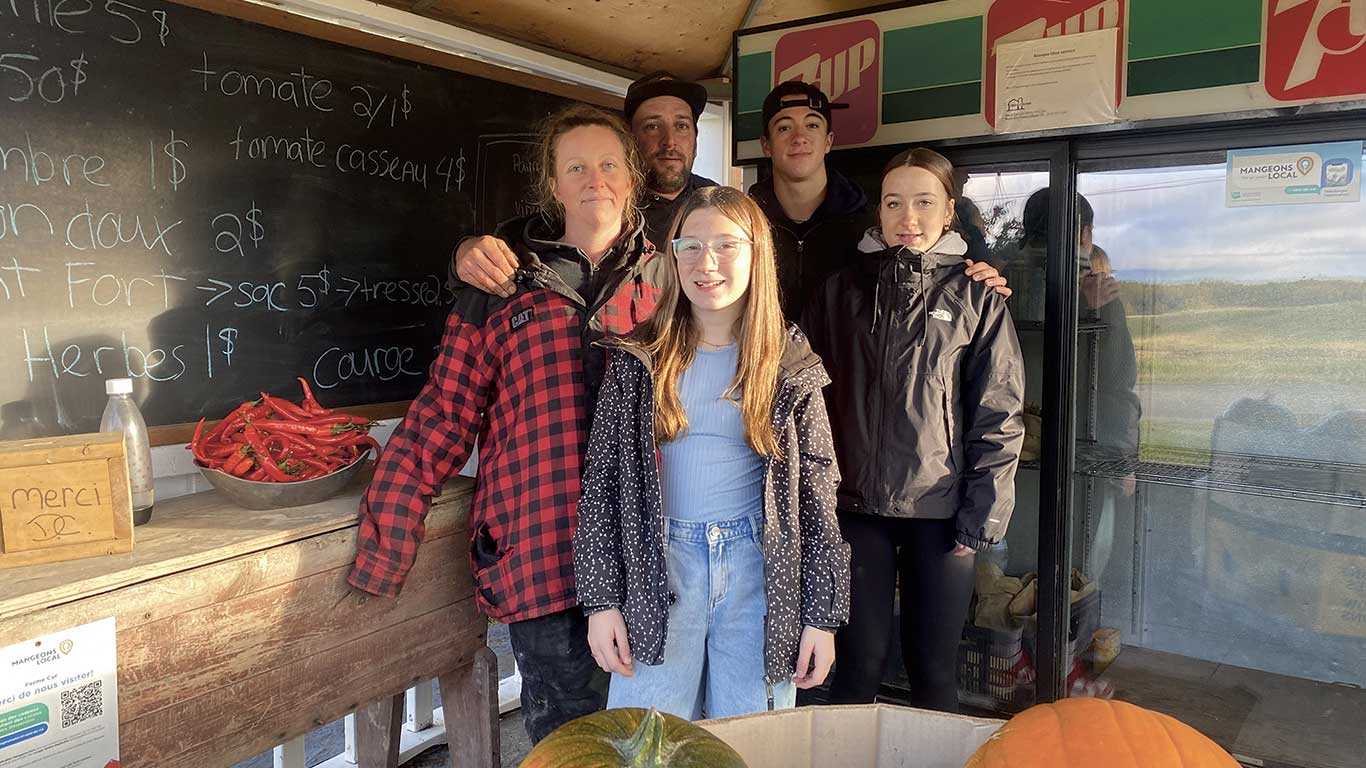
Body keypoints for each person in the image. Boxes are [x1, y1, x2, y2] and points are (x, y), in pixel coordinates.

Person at [346, 103, 668, 743]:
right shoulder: (501, 283)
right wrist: (382, 550)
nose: (594, 179)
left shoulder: (674, 280)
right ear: (554, 184)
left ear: (631, 178)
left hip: (649, 554)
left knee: (653, 738)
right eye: (576, 167)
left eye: (608, 165)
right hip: (538, 550)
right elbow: (444, 414)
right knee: (568, 743)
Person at [574, 186, 850, 719]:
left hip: (759, 572)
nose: (708, 263)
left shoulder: (789, 362)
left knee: (751, 745)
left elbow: (817, 493)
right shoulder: (639, 357)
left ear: (756, 254)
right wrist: (602, 601)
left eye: (726, 245)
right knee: (647, 745)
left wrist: (821, 616)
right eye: (691, 247)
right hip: (658, 566)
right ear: (673, 257)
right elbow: (602, 483)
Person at [802, 147, 1026, 712]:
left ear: (949, 210)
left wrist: (982, 517)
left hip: (942, 517)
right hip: (854, 513)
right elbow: (798, 394)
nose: (909, 216)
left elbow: (998, 415)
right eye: (894, 202)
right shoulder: (840, 290)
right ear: (877, 211)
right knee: (858, 669)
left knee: (933, 674)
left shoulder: (977, 295)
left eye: (924, 202)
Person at [752, 80, 1010, 321]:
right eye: (784, 127)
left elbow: (926, 280)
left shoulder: (872, 228)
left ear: (829, 140)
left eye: (812, 125)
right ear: (766, 144)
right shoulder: (742, 226)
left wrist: (980, 282)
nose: (799, 137)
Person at [454, 71, 717, 297]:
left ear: (695, 137)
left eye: (681, 126)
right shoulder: (596, 205)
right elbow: (505, 248)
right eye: (651, 127)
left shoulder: (721, 206)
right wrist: (466, 253)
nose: (669, 141)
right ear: (630, 140)